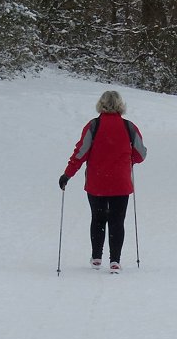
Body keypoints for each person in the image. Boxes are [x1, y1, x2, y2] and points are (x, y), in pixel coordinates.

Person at [58, 90, 147, 273]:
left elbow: (80, 153)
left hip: (97, 182)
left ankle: (97, 257)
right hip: (121, 183)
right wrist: (128, 160)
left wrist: (67, 174)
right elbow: (141, 153)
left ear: (101, 104)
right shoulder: (129, 127)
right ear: (121, 105)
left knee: (98, 219)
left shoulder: (93, 126)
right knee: (117, 221)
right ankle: (115, 261)